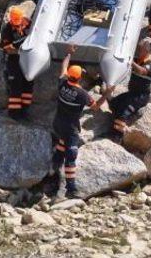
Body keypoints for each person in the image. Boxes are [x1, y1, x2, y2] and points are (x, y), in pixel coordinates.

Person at [52, 49, 114, 198]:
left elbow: (63, 67)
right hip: (71, 128)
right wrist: (107, 93)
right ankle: (71, 188)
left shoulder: (62, 83)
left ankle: (53, 168)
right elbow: (96, 107)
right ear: (79, 78)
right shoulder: (82, 94)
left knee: (62, 143)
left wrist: (68, 53)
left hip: (58, 124)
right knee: (71, 155)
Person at [108, 40, 151, 141]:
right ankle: (113, 127)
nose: (139, 52)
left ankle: (117, 137)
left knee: (124, 113)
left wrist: (131, 62)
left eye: (141, 50)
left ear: (147, 51)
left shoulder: (150, 63)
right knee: (114, 103)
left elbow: (142, 71)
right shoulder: (138, 59)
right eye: (138, 49)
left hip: (141, 96)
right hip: (132, 93)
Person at [0, 6, 33, 120]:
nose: (17, 25)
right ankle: (14, 113)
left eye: (19, 23)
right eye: (15, 23)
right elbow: (7, 48)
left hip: (27, 59)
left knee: (28, 84)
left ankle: (25, 111)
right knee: (16, 86)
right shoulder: (7, 29)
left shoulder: (26, 22)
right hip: (14, 60)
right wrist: (20, 48)